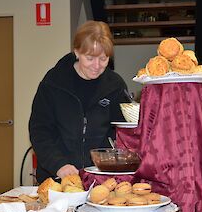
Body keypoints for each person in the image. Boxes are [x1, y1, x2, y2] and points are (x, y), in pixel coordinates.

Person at [29, 20, 129, 183]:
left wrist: (111, 162)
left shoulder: (115, 85)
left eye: (103, 59)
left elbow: (123, 133)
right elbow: (40, 131)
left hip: (100, 178)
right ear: (77, 52)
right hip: (57, 177)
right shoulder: (53, 83)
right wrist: (59, 165)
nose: (96, 66)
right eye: (90, 58)